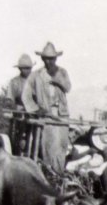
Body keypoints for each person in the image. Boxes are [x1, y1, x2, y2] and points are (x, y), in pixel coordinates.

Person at [22, 42, 72, 173]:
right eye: (47, 58)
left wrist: (57, 80)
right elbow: (26, 96)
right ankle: (49, 173)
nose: (50, 61)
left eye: (52, 58)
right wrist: (36, 109)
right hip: (47, 114)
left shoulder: (62, 72)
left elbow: (68, 87)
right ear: (42, 59)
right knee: (49, 144)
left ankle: (60, 172)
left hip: (62, 114)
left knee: (62, 144)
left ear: (56, 59)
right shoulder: (36, 75)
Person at [7, 54, 33, 155]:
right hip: (19, 111)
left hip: (33, 111)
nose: (27, 71)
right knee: (17, 135)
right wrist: (15, 108)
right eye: (25, 68)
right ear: (20, 69)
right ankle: (16, 150)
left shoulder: (35, 82)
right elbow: (9, 99)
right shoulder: (14, 82)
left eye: (29, 68)